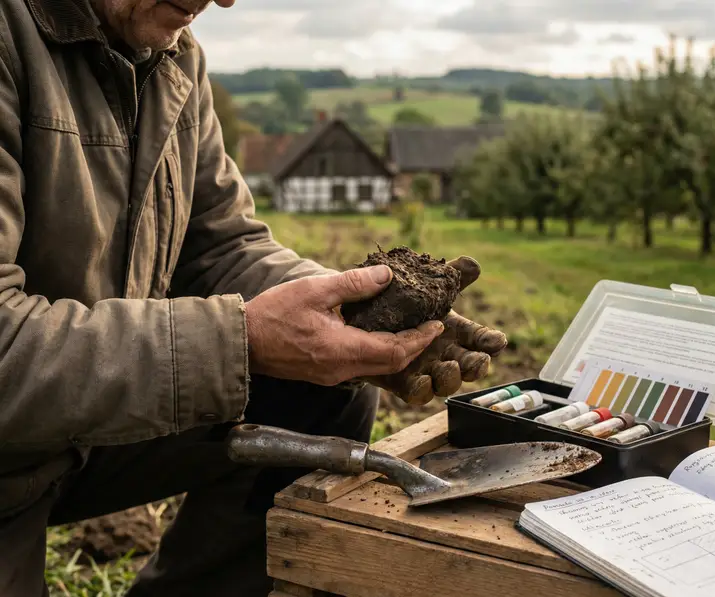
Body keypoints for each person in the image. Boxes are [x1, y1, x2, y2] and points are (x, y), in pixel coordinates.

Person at [0, 0, 507, 595]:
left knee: (323, 396)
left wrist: (356, 315)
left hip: (76, 430)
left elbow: (218, 246)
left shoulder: (173, 58)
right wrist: (242, 342)